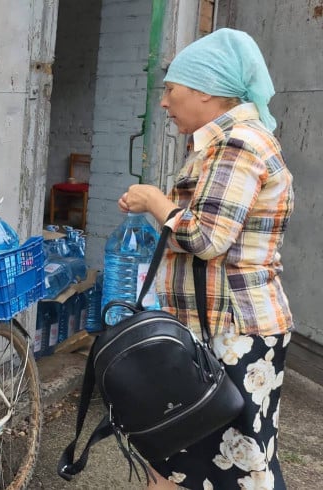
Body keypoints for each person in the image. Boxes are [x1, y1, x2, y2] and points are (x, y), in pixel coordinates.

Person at [118, 28, 294, 489]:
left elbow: (205, 238)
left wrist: (156, 201)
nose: (164, 103)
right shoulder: (222, 143)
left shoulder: (239, 145)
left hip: (236, 332)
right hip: (215, 326)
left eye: (171, 90)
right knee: (188, 458)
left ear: (206, 91)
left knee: (238, 466)